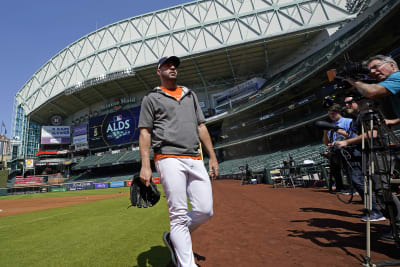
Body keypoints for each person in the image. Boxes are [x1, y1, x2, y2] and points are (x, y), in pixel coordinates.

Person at [138, 56, 219, 267]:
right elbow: (145, 132)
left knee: (205, 210)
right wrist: (145, 165)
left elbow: (201, 126)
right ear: (158, 71)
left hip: (194, 156)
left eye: (174, 65)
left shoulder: (190, 95)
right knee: (178, 215)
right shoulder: (151, 98)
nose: (172, 67)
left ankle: (176, 238)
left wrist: (212, 156)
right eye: (167, 65)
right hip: (168, 157)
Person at [335, 95, 386, 222]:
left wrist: (347, 142)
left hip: (376, 153)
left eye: (349, 103)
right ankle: (374, 211)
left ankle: (379, 213)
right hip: (366, 153)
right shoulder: (357, 117)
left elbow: (373, 134)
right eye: (345, 103)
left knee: (380, 189)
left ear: (358, 102)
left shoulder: (366, 114)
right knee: (366, 184)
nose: (347, 106)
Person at [346, 55, 400, 125]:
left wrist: (352, 80)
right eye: (370, 70)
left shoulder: (397, 76)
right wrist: (394, 121)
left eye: (375, 67)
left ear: (392, 65)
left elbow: (371, 92)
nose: (372, 71)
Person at [322, 104, 351, 193]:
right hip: (335, 151)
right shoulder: (330, 125)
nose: (331, 116)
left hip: (348, 149)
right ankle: (339, 187)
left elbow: (352, 135)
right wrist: (325, 132)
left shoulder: (348, 121)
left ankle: (353, 188)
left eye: (333, 113)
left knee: (349, 169)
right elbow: (326, 143)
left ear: (339, 112)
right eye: (330, 114)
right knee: (335, 171)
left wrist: (338, 130)